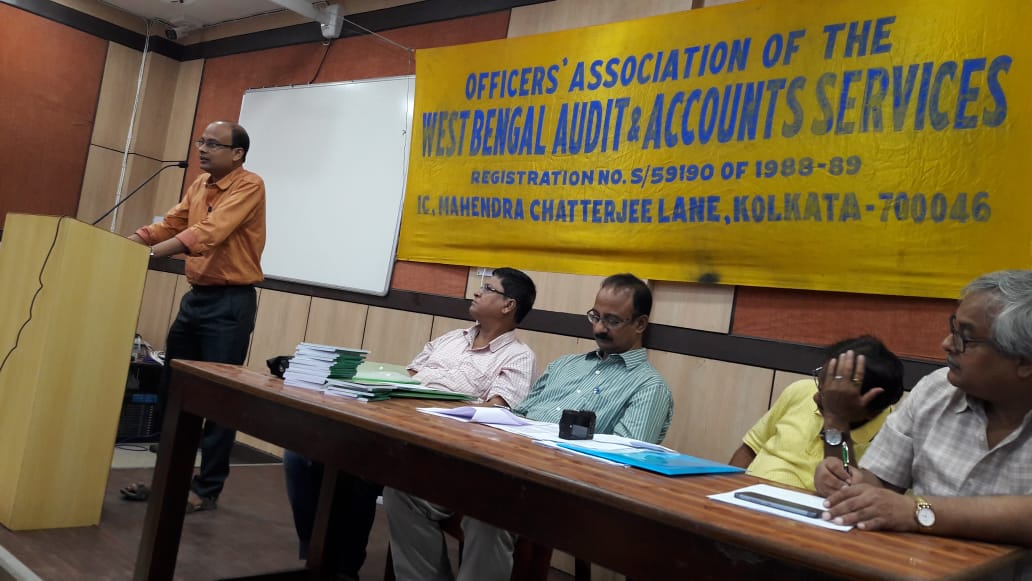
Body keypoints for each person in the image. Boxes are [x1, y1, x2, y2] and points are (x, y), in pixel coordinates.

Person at [384, 273, 674, 581]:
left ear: (640, 324)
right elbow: (518, 415)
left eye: (612, 321)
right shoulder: (566, 365)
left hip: (565, 492)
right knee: (404, 492)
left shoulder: (649, 387)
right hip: (507, 472)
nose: (599, 328)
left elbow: (624, 463)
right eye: (595, 316)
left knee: (488, 513)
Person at [283, 267, 537, 581]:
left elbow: (494, 413)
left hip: (441, 451)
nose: (477, 292)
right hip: (396, 430)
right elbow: (406, 380)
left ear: (508, 305)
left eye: (488, 288)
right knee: (303, 455)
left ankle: (343, 568)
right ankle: (320, 557)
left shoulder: (517, 356)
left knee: (364, 473)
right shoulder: (451, 339)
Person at [816, 270, 1032, 550]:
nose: (947, 344)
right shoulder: (935, 390)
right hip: (913, 564)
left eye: (965, 338)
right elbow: (874, 483)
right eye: (953, 329)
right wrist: (837, 430)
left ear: (1024, 362)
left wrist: (917, 511)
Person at [119, 121, 266, 513]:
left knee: (218, 398)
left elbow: (209, 232)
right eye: (202, 141)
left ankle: (206, 489)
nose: (202, 148)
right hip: (197, 298)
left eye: (213, 144)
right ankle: (167, 481)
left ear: (237, 153)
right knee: (173, 392)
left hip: (230, 303)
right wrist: (125, 245)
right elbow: (171, 224)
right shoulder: (200, 184)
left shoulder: (249, 185)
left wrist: (148, 255)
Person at [728, 335, 904, 491]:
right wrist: (725, 489)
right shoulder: (800, 390)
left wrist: (836, 419)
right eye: (820, 385)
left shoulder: (892, 437)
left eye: (831, 398)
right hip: (744, 497)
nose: (815, 397)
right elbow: (749, 449)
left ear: (871, 412)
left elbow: (846, 487)